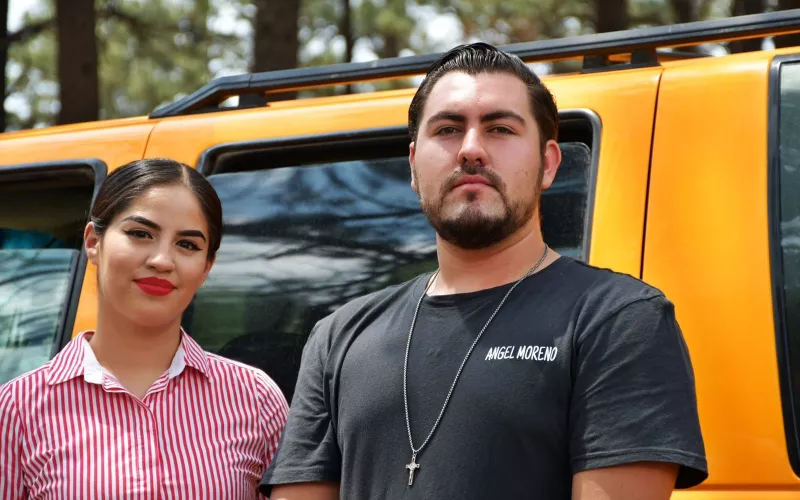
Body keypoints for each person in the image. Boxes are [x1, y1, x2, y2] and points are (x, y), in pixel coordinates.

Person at [260, 43, 708, 500]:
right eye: (448, 129)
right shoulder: (338, 337)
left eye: (500, 129)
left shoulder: (619, 320)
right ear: (413, 166)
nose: (471, 150)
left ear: (548, 164)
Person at [0, 158, 289, 499]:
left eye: (188, 245)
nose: (162, 261)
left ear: (207, 266)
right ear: (93, 242)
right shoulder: (18, 408)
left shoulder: (255, 399)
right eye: (140, 234)